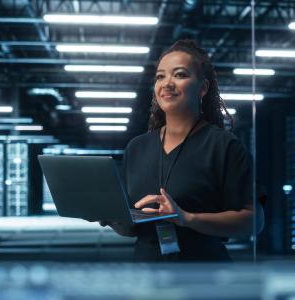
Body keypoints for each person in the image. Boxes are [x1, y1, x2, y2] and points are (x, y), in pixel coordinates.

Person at [100, 39, 264, 262]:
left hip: (204, 274)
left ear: (203, 88)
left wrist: (187, 218)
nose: (167, 83)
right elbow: (132, 230)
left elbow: (255, 221)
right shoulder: (137, 147)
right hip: (146, 275)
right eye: (160, 76)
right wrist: (109, 217)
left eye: (179, 75)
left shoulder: (224, 146)